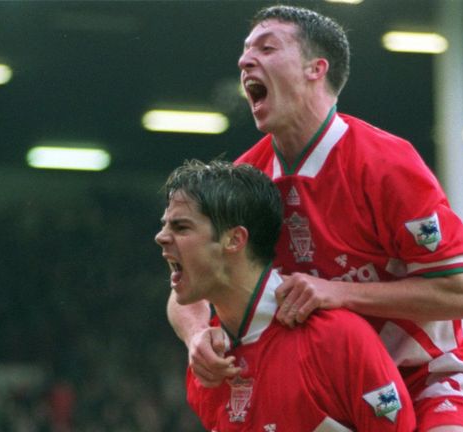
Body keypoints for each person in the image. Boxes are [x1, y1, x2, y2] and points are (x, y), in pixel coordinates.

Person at [168, 5, 463, 431]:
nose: (245, 60)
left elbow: (462, 294)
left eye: (267, 48)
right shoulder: (246, 179)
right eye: (245, 52)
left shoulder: (386, 163)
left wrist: (335, 291)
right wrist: (196, 334)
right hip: (319, 384)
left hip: (426, 379)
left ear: (315, 68)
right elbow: (189, 278)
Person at [155, 159, 415, 431]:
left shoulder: (334, 339)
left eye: (181, 227)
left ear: (234, 240)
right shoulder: (210, 366)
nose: (160, 237)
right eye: (165, 225)